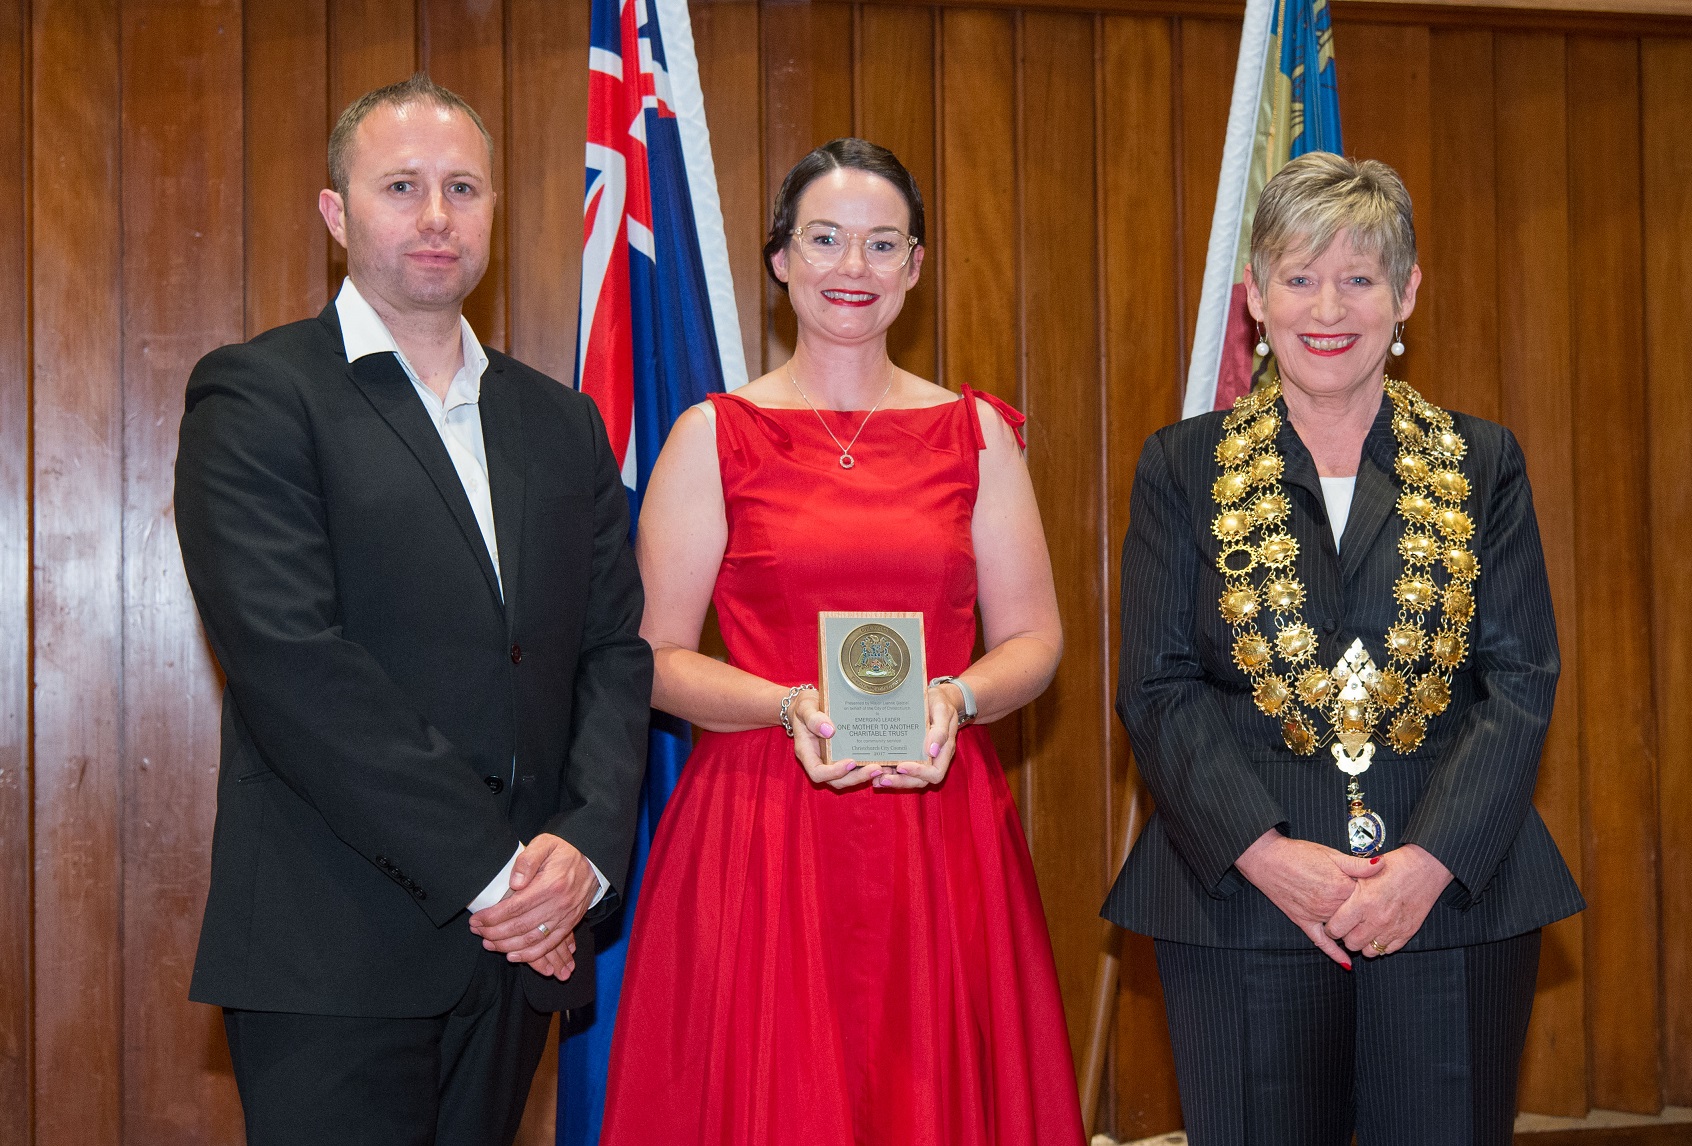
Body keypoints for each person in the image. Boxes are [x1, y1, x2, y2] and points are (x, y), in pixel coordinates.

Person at [173, 74, 652, 1146]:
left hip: (521, 948)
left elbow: (616, 654)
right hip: (334, 950)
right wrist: (499, 876)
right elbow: (294, 664)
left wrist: (578, 853)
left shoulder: (559, 423)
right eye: (401, 186)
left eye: (462, 188)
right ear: (337, 214)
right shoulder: (256, 397)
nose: (437, 216)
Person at [598, 138, 1086, 1145]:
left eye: (879, 244)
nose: (850, 268)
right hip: (760, 826)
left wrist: (954, 697)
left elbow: (1035, 639)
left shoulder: (976, 434)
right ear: (780, 260)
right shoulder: (712, 434)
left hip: (936, 826)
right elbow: (650, 657)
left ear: (913, 266)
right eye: (823, 239)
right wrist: (784, 704)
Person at [1102, 151, 1584, 1145]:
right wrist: (1269, 855)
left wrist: (1425, 864)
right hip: (1240, 897)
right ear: (1254, 298)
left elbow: (1518, 678)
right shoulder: (1178, 465)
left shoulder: (1482, 461)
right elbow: (1155, 686)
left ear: (1404, 294)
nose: (1328, 306)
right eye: (1298, 275)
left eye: (1359, 277)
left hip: (1448, 899)